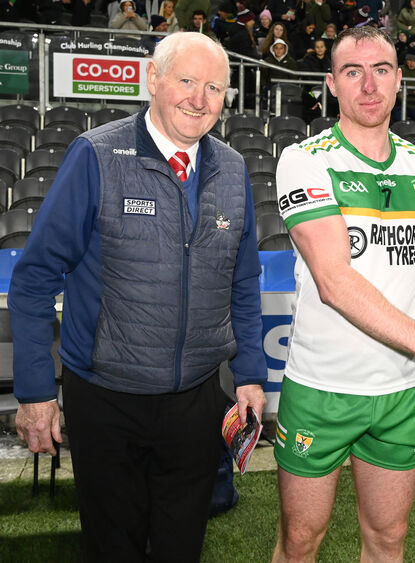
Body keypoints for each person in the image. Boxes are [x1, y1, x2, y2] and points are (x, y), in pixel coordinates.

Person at [10, 32, 268, 562]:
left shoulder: (234, 169)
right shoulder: (96, 156)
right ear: (153, 78)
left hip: (196, 400)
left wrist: (249, 376)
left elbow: (242, 282)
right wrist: (36, 392)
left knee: (181, 546)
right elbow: (35, 278)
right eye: (187, 81)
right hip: (106, 400)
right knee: (113, 548)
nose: (199, 99)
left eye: (214, 87)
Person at [272, 26, 415, 563]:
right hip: (319, 388)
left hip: (399, 393)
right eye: (353, 72)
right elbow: (335, 282)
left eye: (381, 70)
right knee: (300, 541)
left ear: (399, 80)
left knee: (388, 540)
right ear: (331, 85)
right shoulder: (305, 160)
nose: (368, 84)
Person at [392, 47, 415, 124]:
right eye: (410, 60)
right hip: (400, 104)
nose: (412, 63)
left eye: (414, 61)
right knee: (399, 120)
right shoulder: (399, 70)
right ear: (406, 60)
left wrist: (410, 92)